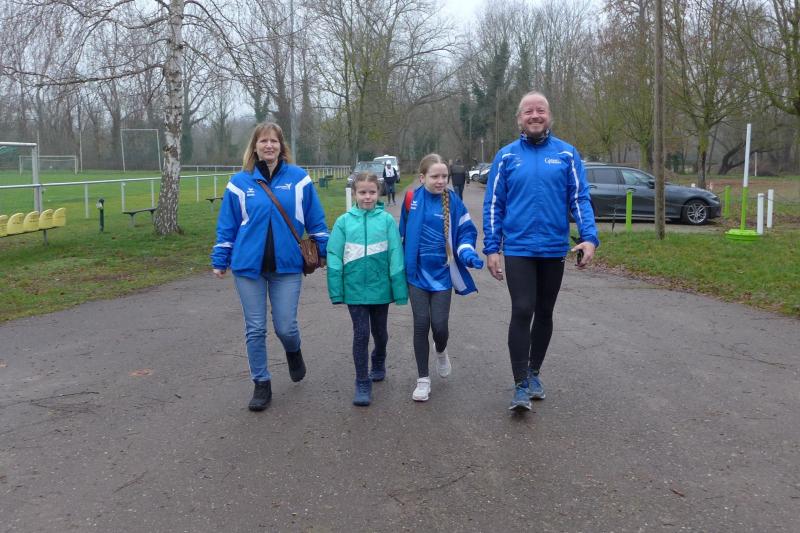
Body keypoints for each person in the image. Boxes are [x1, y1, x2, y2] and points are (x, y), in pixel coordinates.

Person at [482, 91, 599, 412]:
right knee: (522, 309)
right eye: (528, 111)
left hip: (552, 248)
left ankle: (534, 373)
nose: (535, 115)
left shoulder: (567, 154)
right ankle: (520, 384)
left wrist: (589, 238)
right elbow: (493, 203)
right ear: (519, 119)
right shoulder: (506, 156)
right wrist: (492, 248)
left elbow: (580, 198)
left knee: (545, 312)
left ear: (549, 116)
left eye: (541, 110)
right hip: (518, 248)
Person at [211, 122, 330, 412]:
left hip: (287, 267)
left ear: (281, 146)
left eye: (273, 141)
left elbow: (315, 219)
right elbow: (227, 225)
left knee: (286, 326)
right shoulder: (239, 183)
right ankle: (261, 383)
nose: (268, 145)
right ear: (255, 146)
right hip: (248, 267)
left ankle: (293, 350)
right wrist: (220, 258)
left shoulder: (299, 179)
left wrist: (324, 250)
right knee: (255, 328)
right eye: (263, 141)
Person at [400, 153, 484, 402]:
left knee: (439, 326)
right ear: (422, 177)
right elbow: (401, 236)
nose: (440, 181)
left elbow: (466, 231)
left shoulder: (454, 201)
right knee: (420, 324)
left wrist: (467, 253)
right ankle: (423, 380)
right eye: (434, 176)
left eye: (444, 176)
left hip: (442, 275)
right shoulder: (411, 199)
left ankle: (441, 350)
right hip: (416, 275)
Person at [327, 173, 408, 406]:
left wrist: (399, 290)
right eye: (362, 192)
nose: (367, 197)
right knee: (361, 334)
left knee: (380, 332)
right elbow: (334, 255)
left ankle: (379, 357)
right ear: (354, 194)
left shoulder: (386, 221)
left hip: (380, 289)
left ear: (379, 193)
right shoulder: (343, 222)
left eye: (372, 192)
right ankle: (362, 381)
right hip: (354, 290)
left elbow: (396, 254)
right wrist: (336, 289)